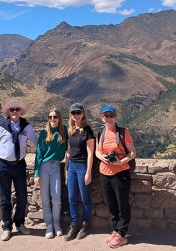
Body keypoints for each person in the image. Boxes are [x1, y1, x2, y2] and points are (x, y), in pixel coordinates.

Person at [0, 99, 38, 242]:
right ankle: (7, 227)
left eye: (17, 109)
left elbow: (37, 142)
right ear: (8, 112)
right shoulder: (1, 127)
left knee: (22, 196)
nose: (14, 112)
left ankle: (20, 223)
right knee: (5, 199)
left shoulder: (26, 127)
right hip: (3, 165)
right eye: (12, 110)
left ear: (21, 111)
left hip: (19, 165)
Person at [95, 106, 136, 249]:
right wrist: (103, 158)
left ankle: (122, 234)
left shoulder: (123, 132)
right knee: (111, 204)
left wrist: (120, 162)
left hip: (121, 173)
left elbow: (132, 153)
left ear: (115, 117)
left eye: (111, 115)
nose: (109, 118)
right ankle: (115, 230)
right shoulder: (100, 133)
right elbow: (97, 152)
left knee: (122, 204)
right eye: (106, 116)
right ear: (102, 118)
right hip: (104, 173)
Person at [34, 108, 67, 239]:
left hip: (56, 166)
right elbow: (38, 154)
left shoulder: (63, 131)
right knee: (46, 198)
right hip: (44, 166)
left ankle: (56, 224)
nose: (52, 119)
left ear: (59, 118)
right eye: (50, 117)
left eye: (55, 117)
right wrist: (36, 173)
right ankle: (49, 225)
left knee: (57, 199)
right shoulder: (43, 133)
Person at [64, 103, 95, 241]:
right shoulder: (70, 130)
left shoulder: (88, 130)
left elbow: (90, 153)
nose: (76, 115)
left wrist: (88, 172)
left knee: (85, 198)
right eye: (73, 113)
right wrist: (66, 169)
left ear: (83, 114)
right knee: (71, 198)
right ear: (70, 115)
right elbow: (69, 152)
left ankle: (86, 223)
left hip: (82, 166)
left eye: (78, 112)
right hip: (72, 167)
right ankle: (75, 223)